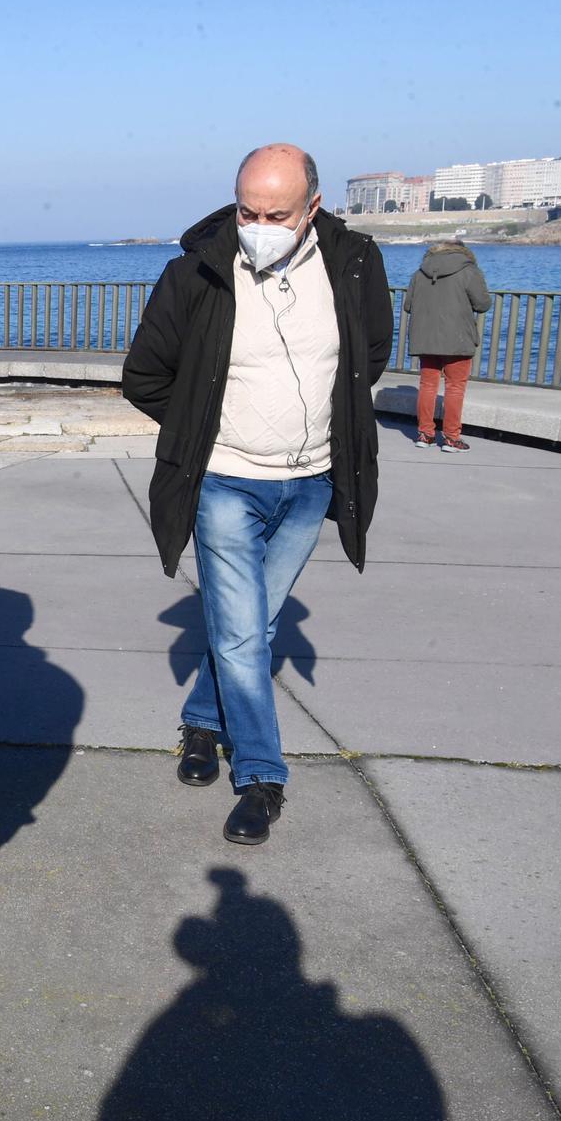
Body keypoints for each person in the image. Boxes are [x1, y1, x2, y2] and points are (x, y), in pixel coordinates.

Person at [122, 144, 390, 846]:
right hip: (226, 481)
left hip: (311, 483)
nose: (259, 224)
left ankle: (203, 724)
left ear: (314, 208)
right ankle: (263, 776)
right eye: (248, 210)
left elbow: (371, 355)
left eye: (277, 213)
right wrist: (203, 431)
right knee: (243, 633)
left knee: (257, 627)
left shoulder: (355, 265)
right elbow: (145, 375)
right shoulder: (197, 274)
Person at [405, 241, 490, 453]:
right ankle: (452, 438)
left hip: (426, 338)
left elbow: (407, 305)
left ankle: (425, 435)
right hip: (457, 339)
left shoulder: (420, 273)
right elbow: (483, 304)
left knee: (427, 385)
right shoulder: (469, 271)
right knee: (455, 387)